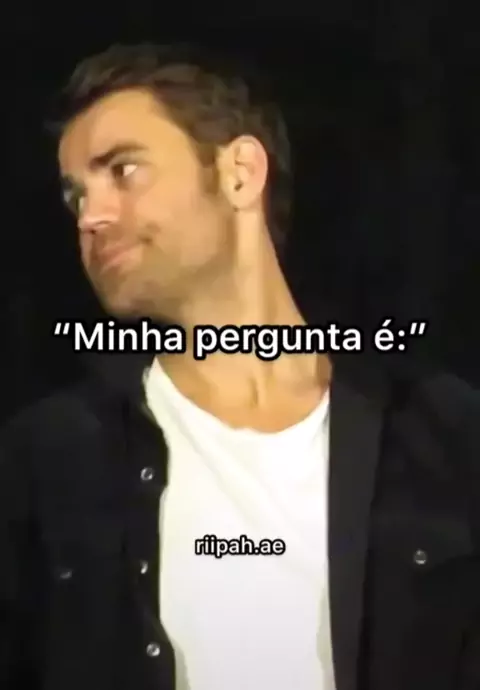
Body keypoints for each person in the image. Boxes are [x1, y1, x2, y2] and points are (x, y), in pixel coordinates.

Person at [0, 42, 479, 690]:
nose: (91, 216)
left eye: (123, 171)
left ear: (240, 173)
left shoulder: (444, 436)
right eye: (75, 196)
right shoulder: (48, 459)